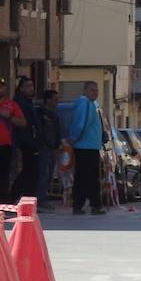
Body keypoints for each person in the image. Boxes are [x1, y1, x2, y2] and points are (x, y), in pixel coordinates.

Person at [59, 81, 106, 215]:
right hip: (85, 147)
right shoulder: (84, 103)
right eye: (92, 90)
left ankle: (91, 203)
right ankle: (85, 204)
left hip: (90, 146)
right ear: (85, 91)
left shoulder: (91, 104)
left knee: (89, 177)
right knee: (85, 178)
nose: (95, 93)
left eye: (96, 90)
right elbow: (80, 124)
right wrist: (73, 139)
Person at [11, 77, 40, 202]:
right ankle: (14, 197)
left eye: (31, 85)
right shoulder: (20, 103)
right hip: (25, 142)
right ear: (21, 88)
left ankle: (27, 199)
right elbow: (25, 124)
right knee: (28, 171)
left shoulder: (28, 102)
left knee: (31, 171)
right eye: (27, 86)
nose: (31, 88)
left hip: (31, 141)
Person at [36, 89, 61, 213]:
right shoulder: (40, 114)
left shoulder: (54, 115)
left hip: (52, 149)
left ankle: (44, 198)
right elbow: (40, 132)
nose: (57, 102)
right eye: (54, 99)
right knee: (43, 174)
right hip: (43, 149)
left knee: (49, 175)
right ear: (48, 100)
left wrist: (57, 147)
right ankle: (40, 200)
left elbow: (57, 133)